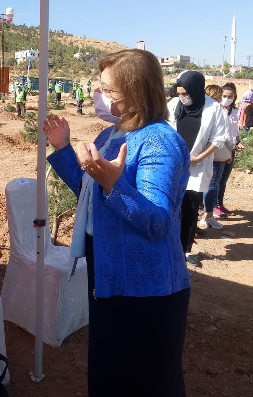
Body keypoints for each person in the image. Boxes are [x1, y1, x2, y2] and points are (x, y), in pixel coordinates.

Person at [43, 49, 191, 397]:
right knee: (110, 374)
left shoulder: (160, 141)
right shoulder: (109, 136)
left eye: (108, 89)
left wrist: (113, 183)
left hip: (147, 288)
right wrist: (63, 148)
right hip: (108, 273)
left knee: (146, 382)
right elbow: (89, 195)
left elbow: (157, 222)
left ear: (135, 92)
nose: (100, 94)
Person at [167, 70, 226, 264]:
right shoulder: (174, 105)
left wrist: (199, 158)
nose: (182, 97)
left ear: (195, 89)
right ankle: (170, 247)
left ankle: (186, 250)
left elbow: (218, 139)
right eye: (180, 93)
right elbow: (164, 130)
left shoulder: (213, 108)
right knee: (171, 208)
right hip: (173, 166)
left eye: (186, 93)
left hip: (197, 168)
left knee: (191, 209)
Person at [199, 85, 226, 230]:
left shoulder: (209, 109)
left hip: (208, 153)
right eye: (222, 95)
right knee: (211, 184)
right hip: (212, 153)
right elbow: (221, 135)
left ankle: (205, 213)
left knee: (210, 184)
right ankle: (207, 215)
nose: (224, 98)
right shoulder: (215, 109)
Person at [214, 83, 242, 216]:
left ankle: (220, 204)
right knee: (215, 180)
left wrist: (238, 142)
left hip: (231, 149)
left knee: (223, 179)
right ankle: (212, 206)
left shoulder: (233, 111)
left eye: (230, 96)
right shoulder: (217, 110)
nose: (227, 98)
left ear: (234, 97)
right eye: (224, 96)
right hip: (220, 149)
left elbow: (234, 130)